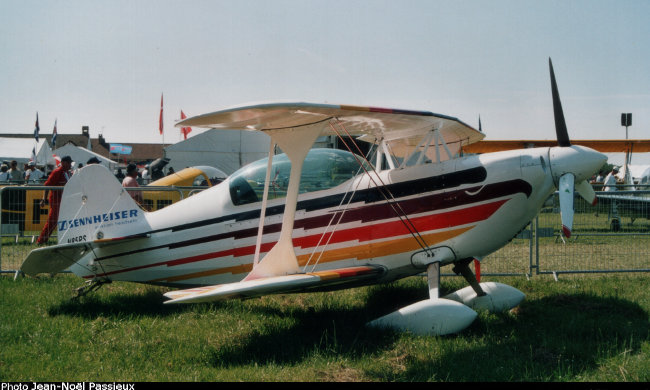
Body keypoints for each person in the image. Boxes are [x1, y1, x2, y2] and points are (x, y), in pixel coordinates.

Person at [37, 156, 73, 245]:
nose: (70, 165)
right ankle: (41, 240)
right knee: (53, 220)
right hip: (56, 200)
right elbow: (47, 185)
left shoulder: (67, 173)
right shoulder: (57, 172)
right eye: (69, 163)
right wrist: (43, 199)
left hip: (65, 200)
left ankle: (68, 239)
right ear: (63, 163)